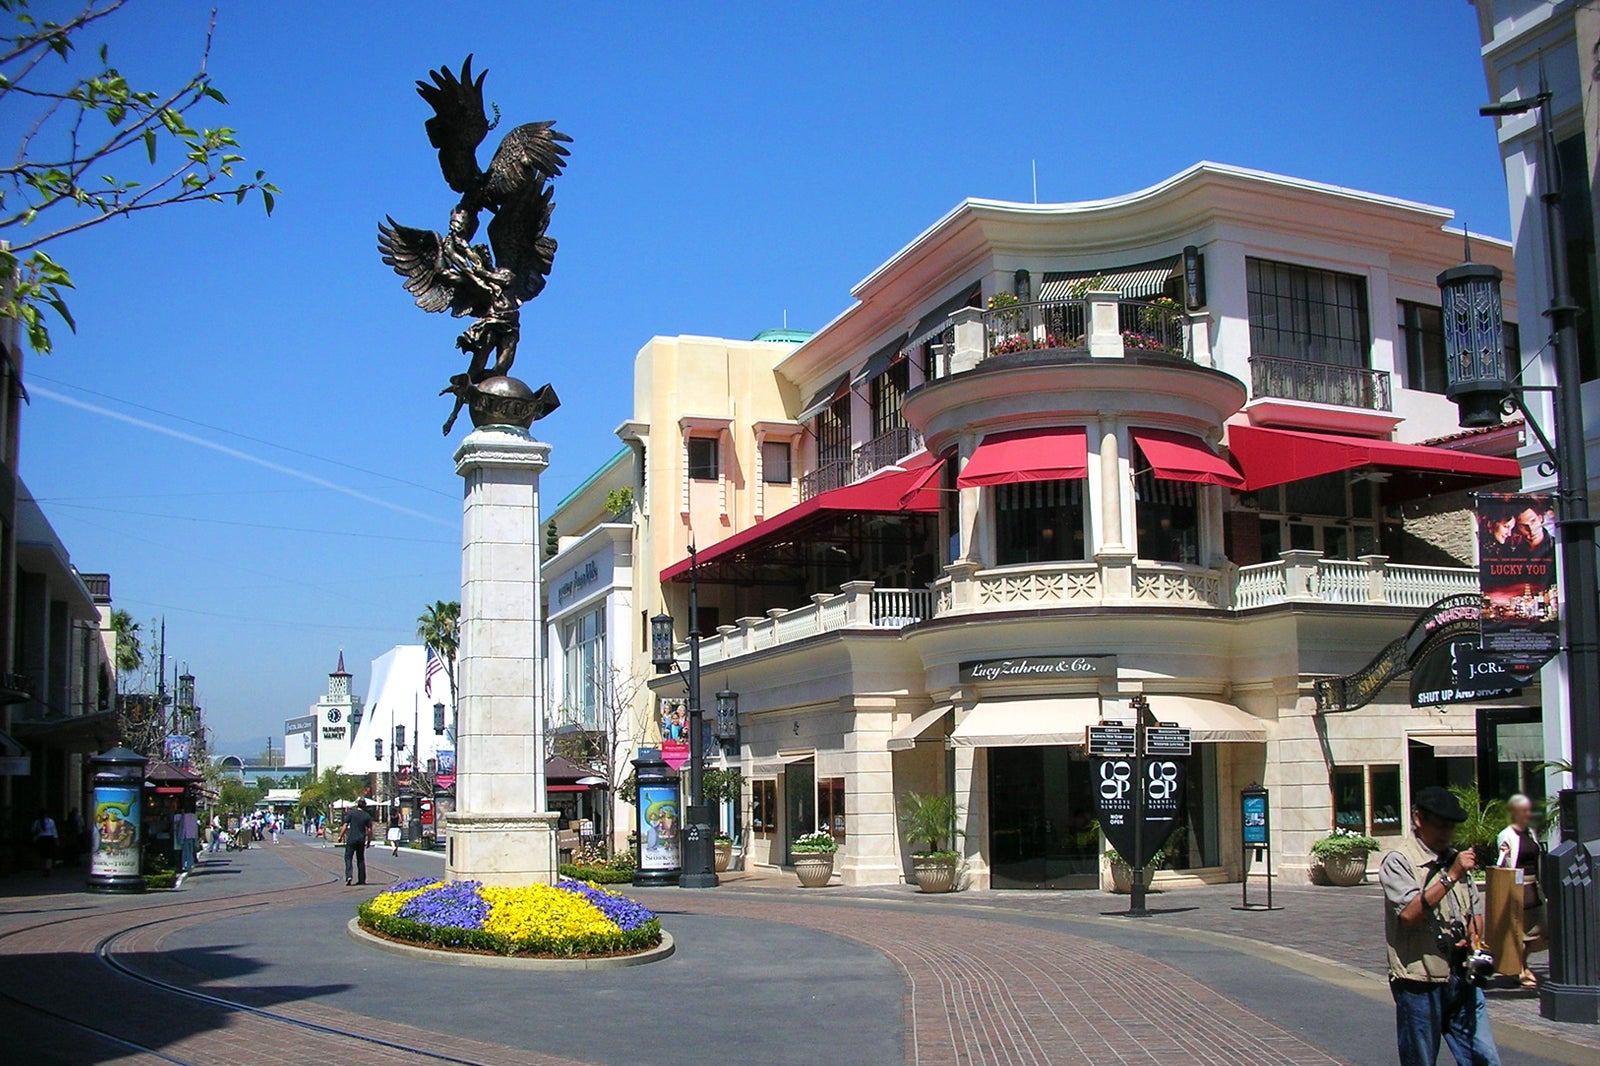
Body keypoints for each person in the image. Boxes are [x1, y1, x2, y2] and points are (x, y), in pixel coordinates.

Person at [1380, 786, 1501, 1066]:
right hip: (1419, 979)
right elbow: (1409, 914)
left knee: (1485, 1058)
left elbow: (1474, 909)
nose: (1447, 834)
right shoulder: (1400, 861)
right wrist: (1451, 875)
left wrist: (1473, 938)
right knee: (1420, 1059)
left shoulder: (1454, 857)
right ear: (1419, 819)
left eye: (1451, 827)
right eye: (1440, 826)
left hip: (1461, 977)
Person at [1496, 794, 1544, 989]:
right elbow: (1500, 863)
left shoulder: (1531, 832)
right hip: (1517, 888)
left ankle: (1521, 963)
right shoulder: (1506, 835)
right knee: (1518, 934)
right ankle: (1521, 968)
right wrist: (1503, 855)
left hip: (1534, 888)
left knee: (1543, 933)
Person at [338, 798, 373, 886]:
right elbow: (369, 830)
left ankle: (349, 876)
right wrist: (369, 841)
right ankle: (362, 879)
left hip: (352, 839)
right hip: (361, 840)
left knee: (348, 858)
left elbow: (345, 825)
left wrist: (340, 836)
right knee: (360, 859)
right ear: (364, 806)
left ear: (357, 805)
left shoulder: (351, 813)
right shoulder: (367, 816)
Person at [30, 809, 57, 876]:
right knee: (49, 854)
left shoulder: (37, 822)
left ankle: (44, 868)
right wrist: (56, 838)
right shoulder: (51, 821)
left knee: (43, 854)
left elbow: (33, 830)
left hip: (41, 838)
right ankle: (48, 867)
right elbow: (54, 831)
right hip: (49, 838)